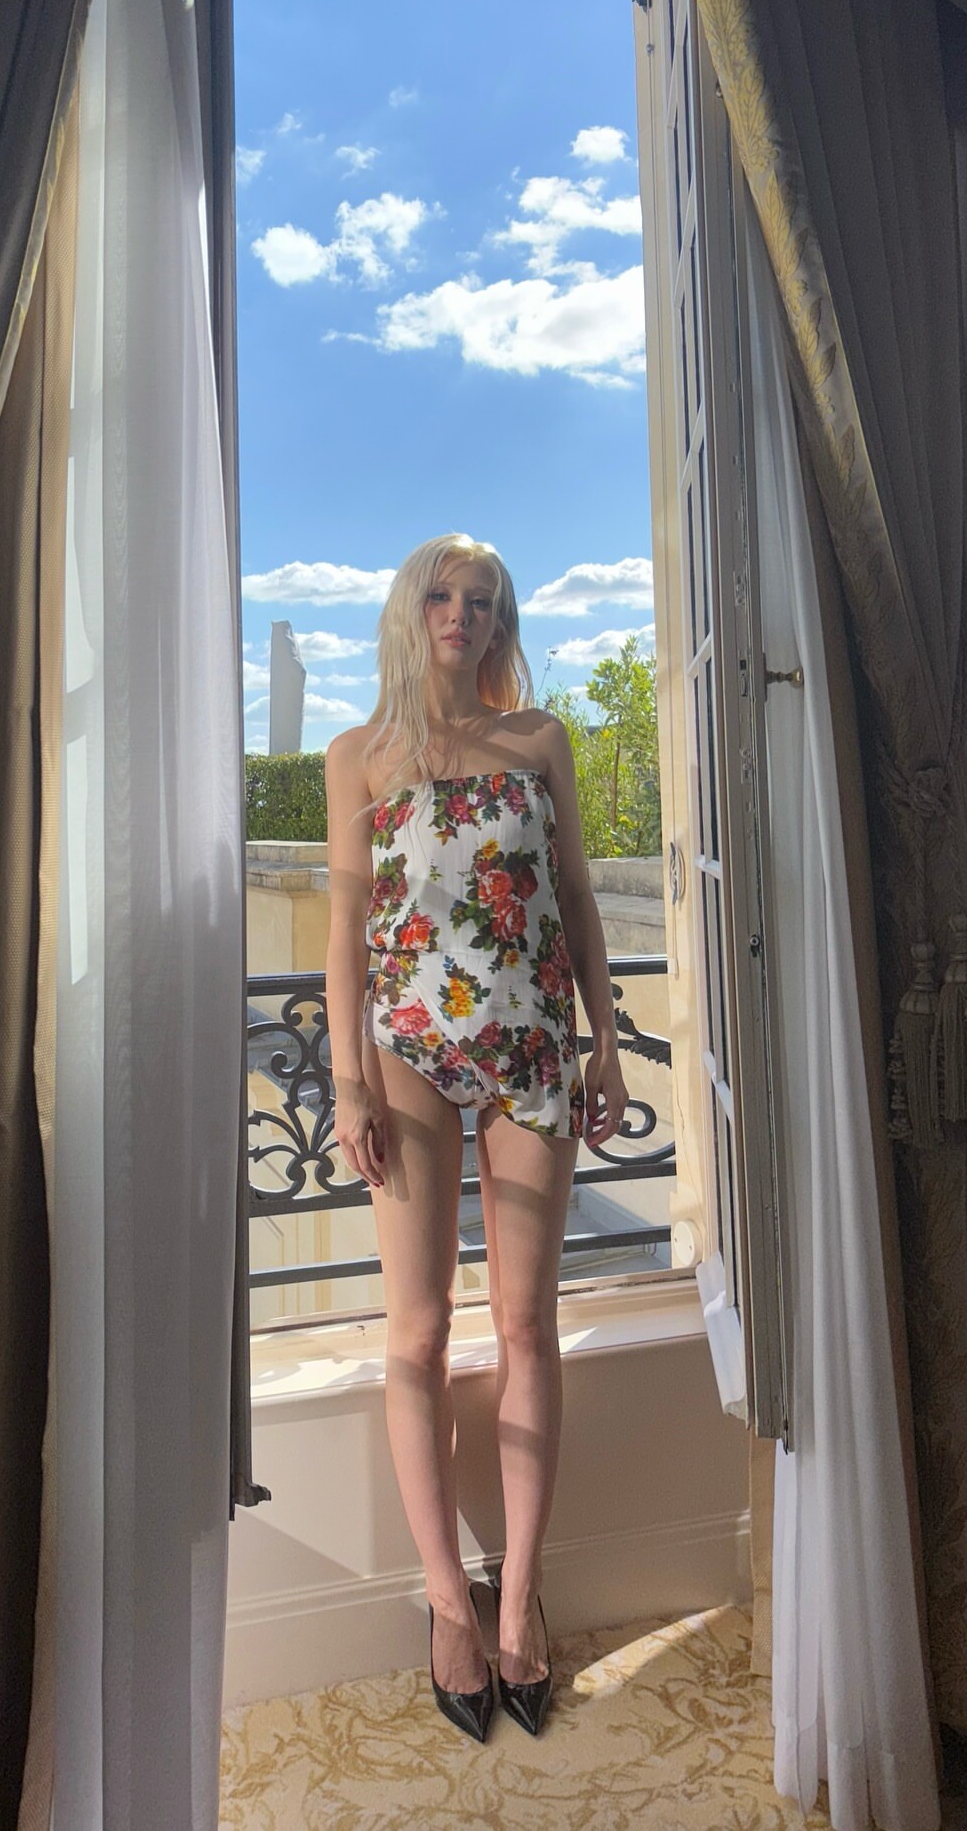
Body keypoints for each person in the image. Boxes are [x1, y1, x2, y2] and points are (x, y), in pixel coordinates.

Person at [323, 532, 629, 1742]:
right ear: (412, 610)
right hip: (408, 1052)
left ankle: (520, 1599)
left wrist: (608, 1040)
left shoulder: (538, 739)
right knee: (419, 1327)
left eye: (485, 599)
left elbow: (579, 900)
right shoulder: (359, 756)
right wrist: (348, 1080)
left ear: (503, 621)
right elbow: (348, 930)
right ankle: (448, 1600)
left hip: (533, 1050)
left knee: (525, 1324)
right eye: (444, 595)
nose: (463, 613)